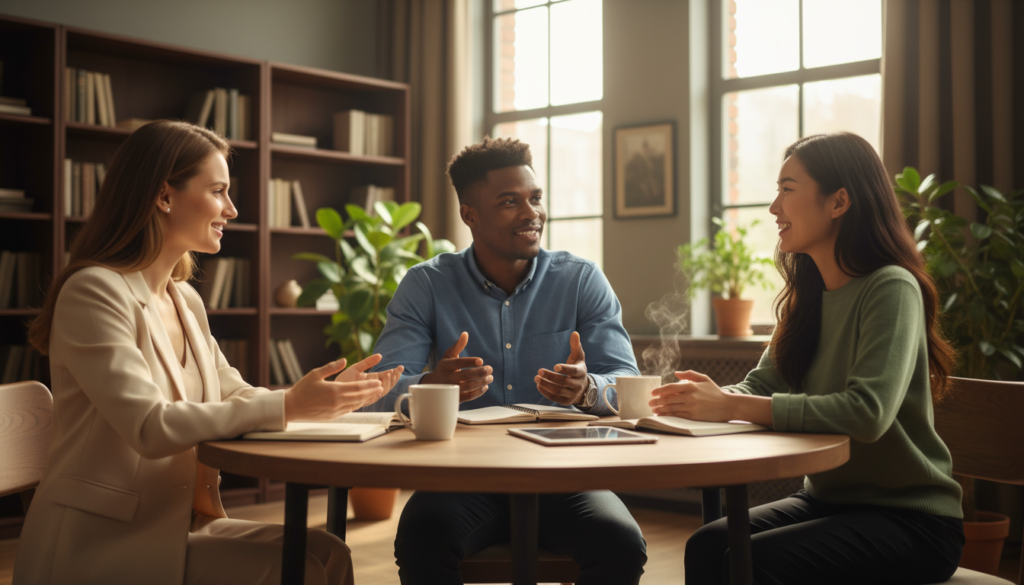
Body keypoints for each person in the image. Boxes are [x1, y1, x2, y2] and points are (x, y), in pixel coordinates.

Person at [15, 120, 401, 585]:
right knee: (300, 570)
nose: (232, 209)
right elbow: (149, 426)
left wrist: (325, 400)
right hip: (99, 539)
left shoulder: (185, 299)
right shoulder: (94, 292)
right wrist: (287, 406)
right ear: (164, 196)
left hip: (176, 521)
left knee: (330, 554)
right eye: (218, 191)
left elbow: (232, 391)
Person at [652, 132, 964, 584]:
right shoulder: (807, 296)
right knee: (707, 546)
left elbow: (867, 413)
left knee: (753, 562)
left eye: (787, 190)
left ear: (839, 202)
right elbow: (761, 387)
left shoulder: (891, 287)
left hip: (913, 520)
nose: (774, 208)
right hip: (828, 500)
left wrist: (732, 406)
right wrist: (706, 398)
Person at [363, 137, 648, 584]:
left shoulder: (580, 280)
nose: (530, 212)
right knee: (422, 537)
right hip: (462, 480)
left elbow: (626, 382)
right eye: (510, 201)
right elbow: (376, 391)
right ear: (469, 214)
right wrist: (431, 386)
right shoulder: (426, 285)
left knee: (620, 544)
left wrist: (587, 387)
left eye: (535, 198)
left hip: (563, 478)